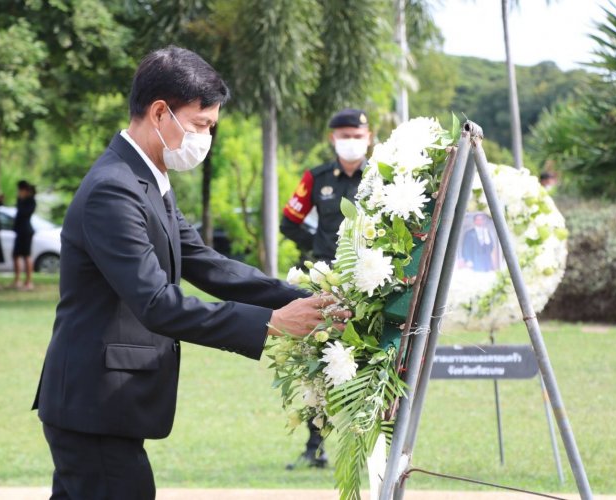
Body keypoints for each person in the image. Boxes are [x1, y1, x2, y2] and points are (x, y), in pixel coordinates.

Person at [32, 46, 350, 500]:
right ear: (160, 112)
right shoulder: (114, 191)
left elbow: (207, 264)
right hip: (94, 406)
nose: (206, 138)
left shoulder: (148, 180)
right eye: (201, 125)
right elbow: (157, 303)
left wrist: (304, 295)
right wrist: (272, 325)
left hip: (101, 407)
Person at [280, 108, 371, 469]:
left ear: (369, 136)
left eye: (356, 135)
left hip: (368, 279)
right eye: (344, 135)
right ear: (332, 138)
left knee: (366, 360)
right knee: (320, 359)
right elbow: (290, 221)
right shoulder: (316, 178)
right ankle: (314, 446)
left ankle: (368, 444)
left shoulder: (381, 177)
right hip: (326, 280)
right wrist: (317, 249)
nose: (350, 141)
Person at [12, 180, 37, 290]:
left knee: (26, 255)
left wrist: (21, 200)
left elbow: (24, 213)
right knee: (16, 255)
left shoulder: (30, 201)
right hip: (19, 231)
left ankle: (29, 281)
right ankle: (17, 280)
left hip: (26, 231)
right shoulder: (21, 200)